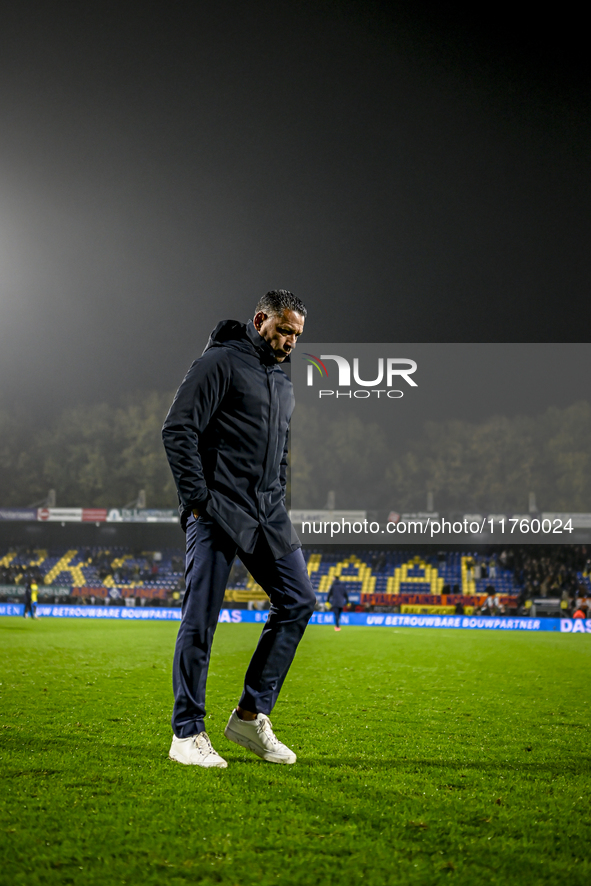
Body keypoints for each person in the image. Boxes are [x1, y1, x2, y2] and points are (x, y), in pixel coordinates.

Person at [162, 290, 316, 769]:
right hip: (216, 509)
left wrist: (278, 497)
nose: (290, 340)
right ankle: (186, 733)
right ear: (260, 320)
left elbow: (281, 455)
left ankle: (250, 716)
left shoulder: (284, 386)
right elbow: (178, 428)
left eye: (297, 334)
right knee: (201, 618)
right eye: (284, 329)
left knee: (299, 600)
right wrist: (199, 501)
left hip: (267, 512)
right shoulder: (220, 363)